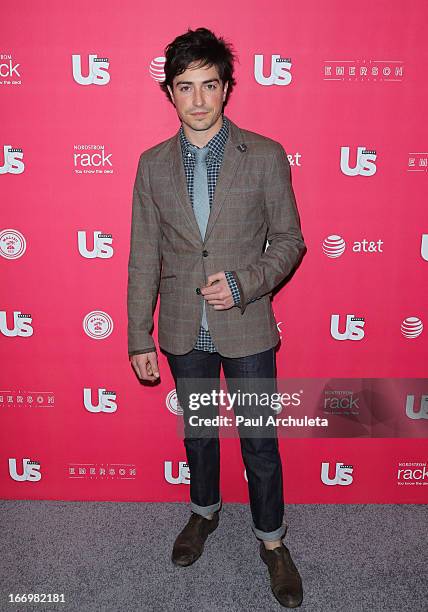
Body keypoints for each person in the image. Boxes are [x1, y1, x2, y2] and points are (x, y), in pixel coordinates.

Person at [127, 27, 306, 608]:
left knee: (259, 440)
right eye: (186, 87)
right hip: (183, 329)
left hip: (248, 326)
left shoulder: (266, 155)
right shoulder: (152, 165)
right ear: (169, 94)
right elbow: (143, 256)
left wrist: (243, 283)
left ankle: (273, 542)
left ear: (227, 89)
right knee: (199, 435)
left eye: (210, 85)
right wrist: (138, 333)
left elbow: (289, 241)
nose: (198, 99)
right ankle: (203, 513)